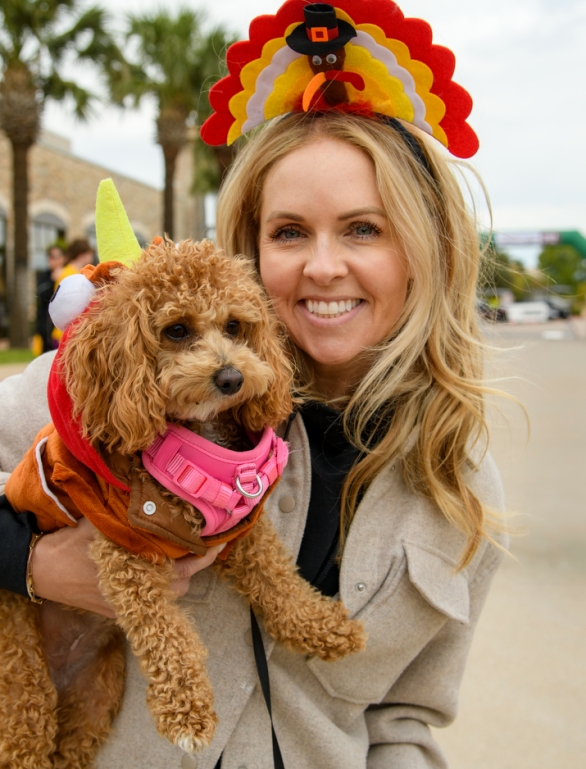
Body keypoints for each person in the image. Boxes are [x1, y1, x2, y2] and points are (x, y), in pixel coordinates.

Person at [0, 2, 507, 767]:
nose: (323, 266)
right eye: (290, 231)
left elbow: (403, 720)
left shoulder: (461, 483)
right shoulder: (96, 387)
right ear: (251, 245)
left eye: (364, 228)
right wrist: (33, 566)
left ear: (424, 248)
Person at [33, 244, 66, 355]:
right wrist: (53, 280)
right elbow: (41, 294)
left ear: (62, 258)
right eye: (50, 257)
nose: (51, 260)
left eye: (55, 257)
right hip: (44, 326)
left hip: (59, 327)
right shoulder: (45, 276)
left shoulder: (67, 274)